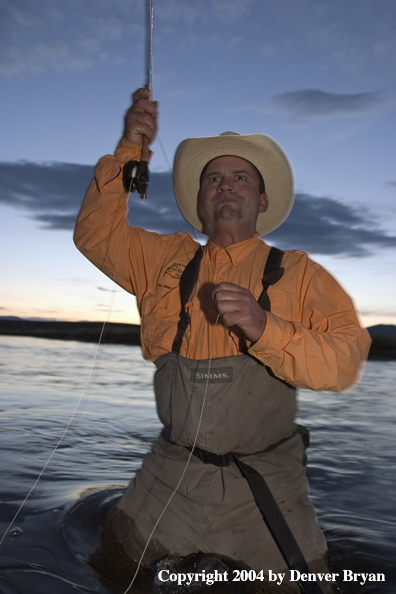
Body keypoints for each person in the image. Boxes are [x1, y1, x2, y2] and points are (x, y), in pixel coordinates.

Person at [74, 88, 371, 592]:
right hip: (171, 469)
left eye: (240, 178)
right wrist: (131, 149)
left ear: (261, 200)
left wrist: (265, 327)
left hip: (267, 482)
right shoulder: (162, 259)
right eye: (214, 179)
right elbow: (94, 234)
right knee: (113, 572)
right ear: (200, 200)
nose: (225, 187)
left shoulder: (300, 273)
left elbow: (346, 361)